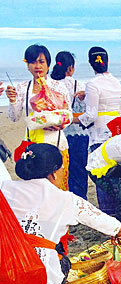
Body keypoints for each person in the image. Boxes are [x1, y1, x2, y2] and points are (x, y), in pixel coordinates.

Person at [0, 143, 121, 284]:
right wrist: (120, 233)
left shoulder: (6, 189)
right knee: (63, 261)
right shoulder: (66, 199)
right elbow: (111, 225)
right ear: (54, 173)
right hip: (38, 277)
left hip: (5, 271)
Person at [6, 45, 72, 191]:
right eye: (33, 62)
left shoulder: (58, 86)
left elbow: (68, 114)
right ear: (28, 66)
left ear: (48, 65)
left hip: (56, 143)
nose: (37, 66)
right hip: (33, 144)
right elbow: (15, 117)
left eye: (41, 61)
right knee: (35, 189)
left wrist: (60, 125)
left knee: (58, 188)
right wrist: (12, 100)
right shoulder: (23, 87)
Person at [73, 47, 121, 211]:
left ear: (90, 63)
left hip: (100, 133)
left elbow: (91, 115)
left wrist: (72, 119)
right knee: (117, 175)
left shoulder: (93, 84)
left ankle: (108, 213)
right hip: (116, 131)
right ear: (107, 61)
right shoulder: (116, 82)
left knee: (101, 174)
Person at [50, 51, 89, 199]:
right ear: (71, 68)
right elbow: (88, 110)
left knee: (58, 170)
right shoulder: (79, 85)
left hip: (57, 134)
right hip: (79, 134)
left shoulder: (51, 85)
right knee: (79, 172)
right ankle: (79, 202)